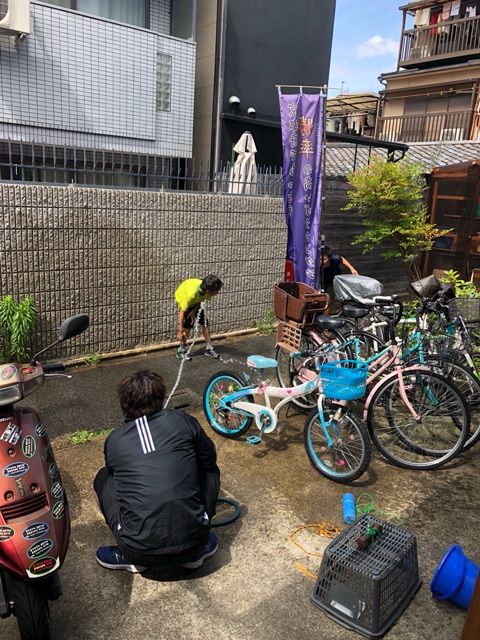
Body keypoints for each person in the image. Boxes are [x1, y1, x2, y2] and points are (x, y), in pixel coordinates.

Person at [94, 370, 220, 573]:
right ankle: (196, 548)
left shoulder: (115, 439)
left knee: (104, 477)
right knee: (208, 469)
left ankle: (130, 555)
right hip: (195, 543)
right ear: (161, 397)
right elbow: (208, 459)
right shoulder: (183, 420)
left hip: (138, 551)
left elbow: (115, 474)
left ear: (124, 403)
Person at [175, 274, 223, 361]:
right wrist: (180, 331)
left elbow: (200, 300)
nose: (218, 292)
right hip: (184, 296)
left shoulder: (206, 290)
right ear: (209, 291)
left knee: (205, 324)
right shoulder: (190, 295)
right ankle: (181, 350)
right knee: (187, 327)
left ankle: (209, 349)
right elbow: (181, 312)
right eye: (217, 291)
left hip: (195, 301)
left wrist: (194, 311)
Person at [320, 246, 358, 311]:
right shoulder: (315, 263)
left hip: (333, 280)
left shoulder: (335, 259)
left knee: (329, 299)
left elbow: (342, 259)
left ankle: (326, 315)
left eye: (324, 259)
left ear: (329, 258)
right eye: (320, 259)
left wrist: (352, 268)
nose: (322, 262)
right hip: (321, 281)